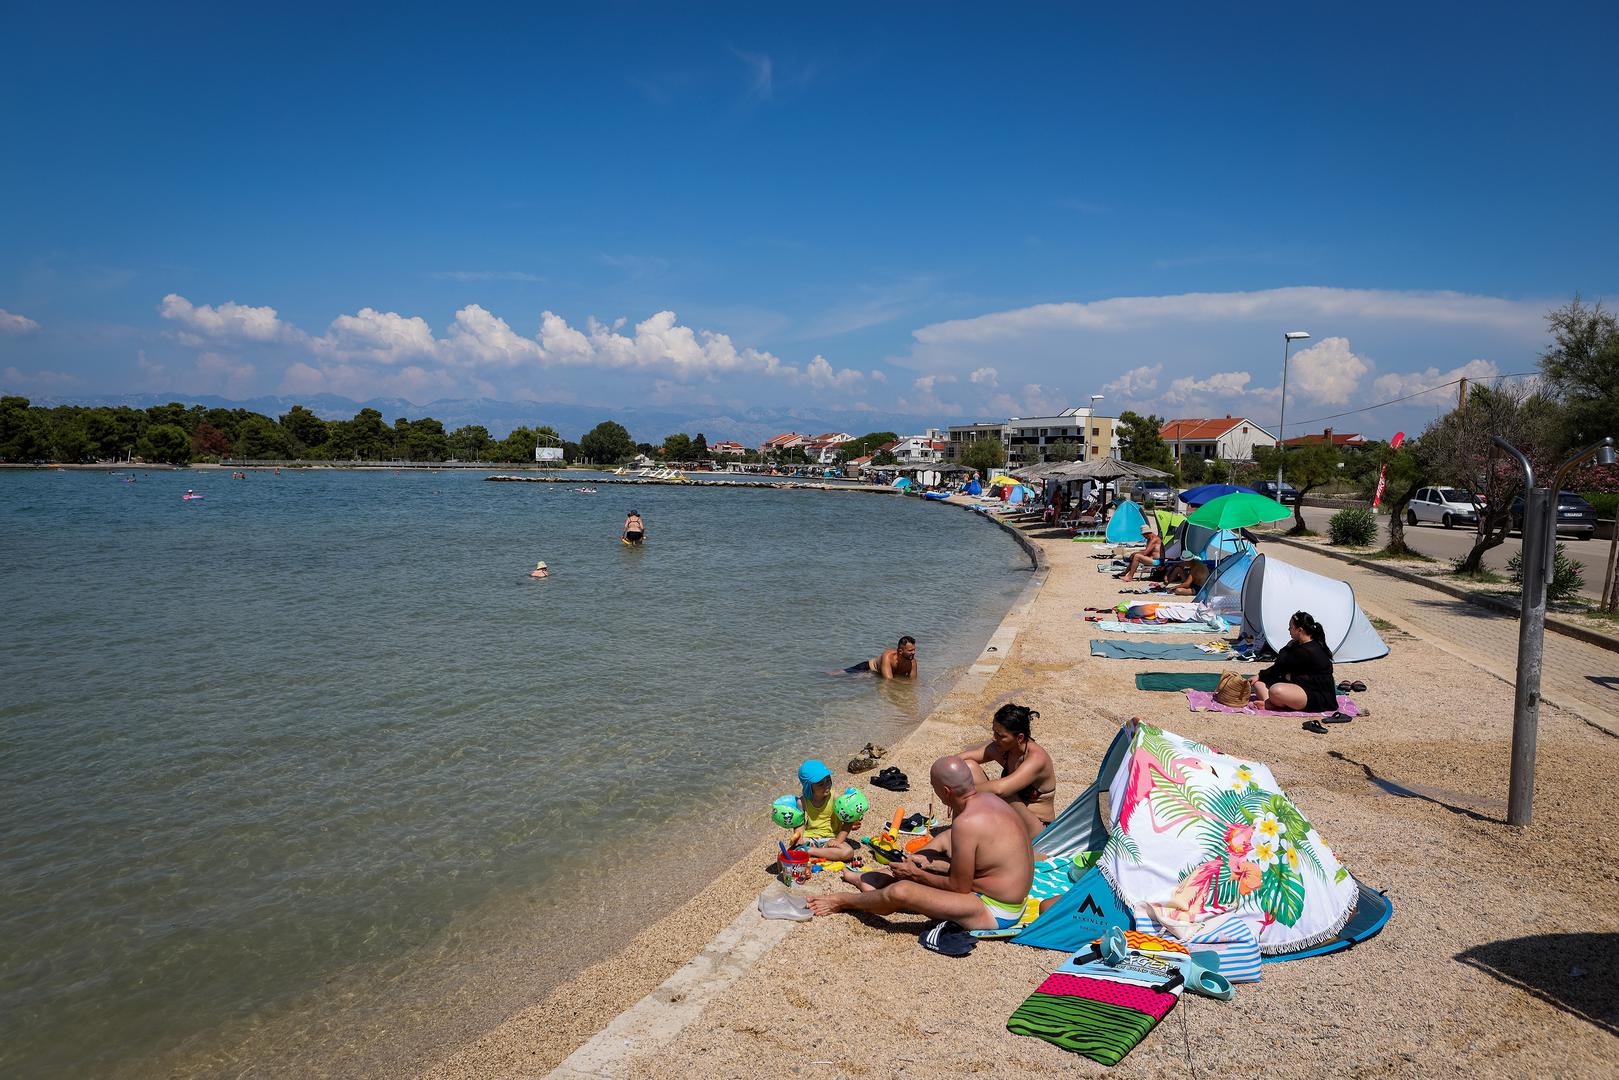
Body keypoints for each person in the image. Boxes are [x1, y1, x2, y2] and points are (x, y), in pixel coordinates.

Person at [806, 755, 1033, 932]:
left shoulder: (967, 822)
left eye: (933, 786)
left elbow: (959, 887)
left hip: (995, 909)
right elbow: (980, 862)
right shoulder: (989, 799)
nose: (933, 791)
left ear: (945, 791)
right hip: (998, 888)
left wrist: (916, 875)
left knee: (902, 891)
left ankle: (844, 901)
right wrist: (927, 864)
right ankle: (878, 879)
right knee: (941, 841)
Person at [958, 703, 1056, 839]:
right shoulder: (1005, 749)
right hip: (1010, 815)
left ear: (1019, 738)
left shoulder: (1036, 759)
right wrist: (950, 781)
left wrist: (961, 793)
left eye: (1000, 735)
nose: (994, 738)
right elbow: (960, 760)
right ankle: (963, 831)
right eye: (994, 732)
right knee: (968, 767)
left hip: (1037, 828)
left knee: (1005, 792)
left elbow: (1000, 789)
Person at [781, 760, 866, 863]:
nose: (827, 785)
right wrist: (799, 838)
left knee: (848, 853)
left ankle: (810, 851)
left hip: (831, 838)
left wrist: (838, 840)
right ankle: (817, 851)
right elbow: (799, 823)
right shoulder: (802, 802)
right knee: (783, 855)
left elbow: (848, 822)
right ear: (808, 787)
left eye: (828, 780)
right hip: (810, 837)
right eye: (821, 784)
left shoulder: (835, 798)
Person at [1253, 611, 1337, 712]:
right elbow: (1279, 669)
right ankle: (1270, 703)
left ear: (1299, 630)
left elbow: (1281, 665)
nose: (1289, 630)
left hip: (1318, 695)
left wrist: (1287, 647)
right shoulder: (1300, 645)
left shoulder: (1307, 650)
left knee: (1275, 690)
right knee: (1259, 683)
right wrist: (1260, 676)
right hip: (1302, 685)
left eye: (1291, 627)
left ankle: (1271, 702)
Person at [847, 636, 917, 678]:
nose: (914, 652)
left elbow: (912, 681)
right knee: (842, 675)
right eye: (910, 650)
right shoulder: (887, 657)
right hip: (868, 668)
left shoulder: (912, 662)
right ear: (900, 651)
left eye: (914, 649)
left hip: (877, 676)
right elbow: (888, 681)